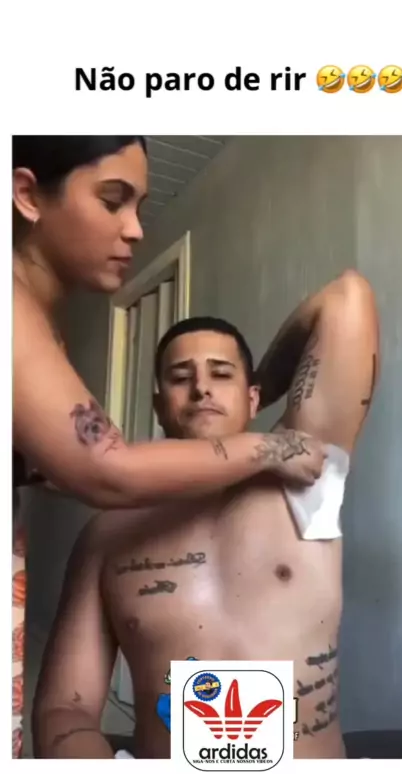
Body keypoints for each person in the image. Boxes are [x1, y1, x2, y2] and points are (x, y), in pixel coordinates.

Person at [11, 135, 325, 757]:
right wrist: (269, 446)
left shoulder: (41, 331)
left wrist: (252, 399)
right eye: (112, 201)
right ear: (27, 195)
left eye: (140, 206)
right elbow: (107, 469)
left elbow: (342, 301)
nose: (135, 229)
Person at [32, 269, 379, 759]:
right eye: (181, 378)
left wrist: (258, 399)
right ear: (158, 406)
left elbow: (346, 297)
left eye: (221, 374)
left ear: (253, 396)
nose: (201, 389)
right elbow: (64, 709)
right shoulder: (106, 535)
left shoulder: (304, 480)